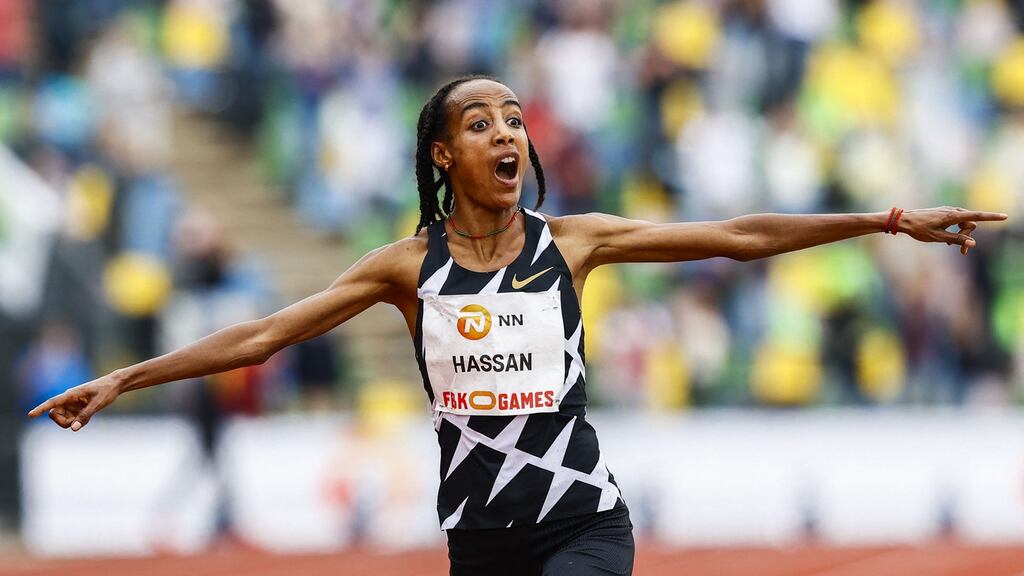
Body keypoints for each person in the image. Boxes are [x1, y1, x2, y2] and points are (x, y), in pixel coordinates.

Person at [28, 75, 1008, 575]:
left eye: (513, 118)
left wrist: (883, 219)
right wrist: (124, 379)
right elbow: (261, 337)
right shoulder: (404, 269)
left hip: (582, 520)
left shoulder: (572, 243)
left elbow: (738, 234)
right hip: (480, 537)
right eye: (480, 122)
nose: (507, 132)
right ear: (442, 154)